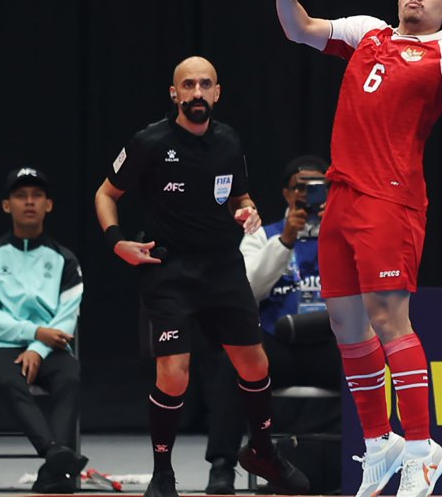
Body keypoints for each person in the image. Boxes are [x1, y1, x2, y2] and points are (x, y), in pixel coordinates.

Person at [250, 0, 442, 496]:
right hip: (341, 197)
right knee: (347, 327)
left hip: (391, 201)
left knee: (390, 319)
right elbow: (299, 27)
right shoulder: (367, 31)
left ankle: (421, 449)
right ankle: (380, 443)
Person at [94, 57, 308, 497]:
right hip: (169, 270)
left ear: (217, 92)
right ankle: (162, 473)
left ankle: (263, 451)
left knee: (255, 364)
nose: (196, 92)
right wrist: (117, 242)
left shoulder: (229, 141)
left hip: (222, 267)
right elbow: (106, 193)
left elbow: (239, 195)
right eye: (187, 85)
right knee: (174, 375)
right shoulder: (149, 142)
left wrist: (246, 211)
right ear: (174, 94)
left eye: (204, 84)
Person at [203, 155, 341, 493]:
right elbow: (246, 288)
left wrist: (340, 230)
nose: (309, 195)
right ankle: (222, 466)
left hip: (330, 345)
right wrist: (286, 242)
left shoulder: (346, 233)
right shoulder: (262, 235)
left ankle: (365, 462)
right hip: (277, 346)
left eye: (319, 187)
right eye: (301, 187)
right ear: (286, 193)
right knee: (233, 362)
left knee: (372, 365)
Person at [0, 168, 87, 492]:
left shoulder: (65, 259)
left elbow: (67, 316)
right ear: (7, 206)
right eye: (21, 196)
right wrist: (34, 333)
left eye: (36, 196)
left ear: (48, 205)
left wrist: (38, 347)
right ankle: (55, 455)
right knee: (9, 377)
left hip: (50, 345)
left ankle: (54, 468)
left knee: (70, 375)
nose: (29, 202)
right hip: (0, 344)